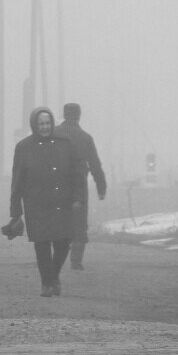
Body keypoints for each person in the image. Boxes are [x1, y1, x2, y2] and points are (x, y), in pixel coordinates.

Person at [10, 106, 85, 297]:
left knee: (63, 242)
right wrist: (16, 210)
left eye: (48, 123)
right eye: (41, 124)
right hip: (36, 204)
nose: (45, 127)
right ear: (35, 125)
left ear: (52, 123)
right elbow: (17, 181)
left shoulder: (65, 144)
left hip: (62, 202)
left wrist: (78, 197)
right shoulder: (24, 147)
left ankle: (53, 275)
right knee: (42, 244)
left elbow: (78, 173)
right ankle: (47, 284)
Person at [54, 102, 107, 269]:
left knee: (57, 220)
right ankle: (76, 261)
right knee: (78, 224)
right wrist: (101, 187)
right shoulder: (85, 138)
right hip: (79, 187)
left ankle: (56, 257)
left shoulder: (53, 134)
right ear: (79, 116)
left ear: (64, 114)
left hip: (55, 185)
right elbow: (95, 164)